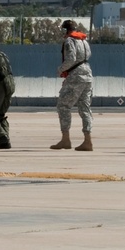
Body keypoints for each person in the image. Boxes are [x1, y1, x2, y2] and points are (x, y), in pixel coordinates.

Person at [50, 20, 94, 151]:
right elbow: (88, 56)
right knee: (85, 108)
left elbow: (71, 59)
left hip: (76, 76)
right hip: (88, 74)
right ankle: (88, 140)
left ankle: (65, 139)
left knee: (63, 106)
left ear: (65, 30)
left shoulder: (70, 41)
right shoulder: (84, 41)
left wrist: (60, 69)